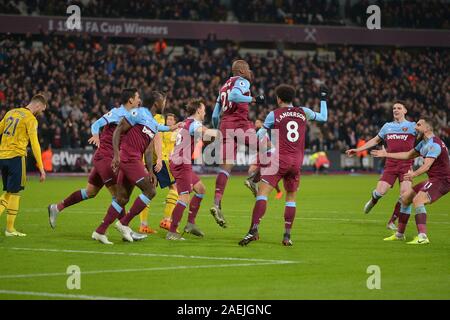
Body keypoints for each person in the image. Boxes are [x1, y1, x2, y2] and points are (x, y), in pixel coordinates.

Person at [239, 84, 328, 246]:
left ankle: (253, 230)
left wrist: (253, 133)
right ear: (292, 98)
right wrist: (323, 98)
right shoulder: (303, 112)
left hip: (280, 159)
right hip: (297, 162)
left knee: (262, 194)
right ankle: (287, 236)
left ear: (279, 98)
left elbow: (260, 137)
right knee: (291, 198)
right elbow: (323, 117)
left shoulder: (274, 114)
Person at [47, 89, 135, 232]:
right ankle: (125, 229)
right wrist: (96, 136)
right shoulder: (117, 112)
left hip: (107, 157)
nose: (139, 100)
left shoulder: (132, 115)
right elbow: (96, 124)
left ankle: (56, 208)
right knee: (118, 195)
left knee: (90, 192)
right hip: (106, 157)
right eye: (137, 97)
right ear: (131, 100)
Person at [371, 118, 450, 245]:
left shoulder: (435, 144)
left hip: (443, 181)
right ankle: (399, 235)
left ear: (427, 128)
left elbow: (426, 166)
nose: (415, 128)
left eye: (419, 125)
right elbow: (408, 155)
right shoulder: (423, 143)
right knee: (405, 198)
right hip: (434, 179)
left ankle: (423, 236)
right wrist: (387, 154)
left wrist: (414, 174)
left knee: (418, 200)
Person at [108, 91, 172, 243]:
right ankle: (124, 223)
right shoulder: (139, 113)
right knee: (150, 190)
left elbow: (149, 148)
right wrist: (116, 155)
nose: (165, 104)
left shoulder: (151, 120)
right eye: (163, 101)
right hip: (129, 158)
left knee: (122, 198)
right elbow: (118, 130)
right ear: (156, 103)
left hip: (135, 159)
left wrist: (150, 170)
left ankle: (101, 230)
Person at [210, 60, 264, 228]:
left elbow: (214, 116)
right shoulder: (242, 81)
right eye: (247, 68)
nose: (249, 71)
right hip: (240, 123)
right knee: (269, 149)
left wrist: (218, 129)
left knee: (226, 167)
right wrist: (253, 99)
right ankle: (253, 180)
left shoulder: (223, 86)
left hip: (225, 125)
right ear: (240, 70)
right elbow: (234, 96)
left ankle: (216, 203)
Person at [346, 102, 416, 231]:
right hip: (390, 164)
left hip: (406, 164)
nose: (395, 110)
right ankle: (373, 200)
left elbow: (424, 139)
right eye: (394, 108)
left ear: (405, 110)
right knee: (380, 192)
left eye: (399, 108)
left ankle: (391, 222)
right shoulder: (387, 127)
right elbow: (375, 140)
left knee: (405, 195)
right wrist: (358, 149)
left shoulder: (412, 126)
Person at [167, 98, 218, 240]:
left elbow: (203, 139)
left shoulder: (186, 122)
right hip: (181, 162)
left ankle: (190, 223)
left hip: (181, 161)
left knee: (200, 189)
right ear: (198, 110)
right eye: (203, 109)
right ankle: (172, 231)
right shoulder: (194, 124)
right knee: (184, 196)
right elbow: (208, 133)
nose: (205, 112)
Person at [0, 94, 47, 236]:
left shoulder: (11, 112)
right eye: (42, 110)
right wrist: (41, 167)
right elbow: (35, 144)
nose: (41, 113)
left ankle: (10, 228)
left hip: (2, 157)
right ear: (38, 106)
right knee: (15, 193)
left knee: (8, 192)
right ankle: (10, 229)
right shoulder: (30, 119)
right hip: (16, 157)